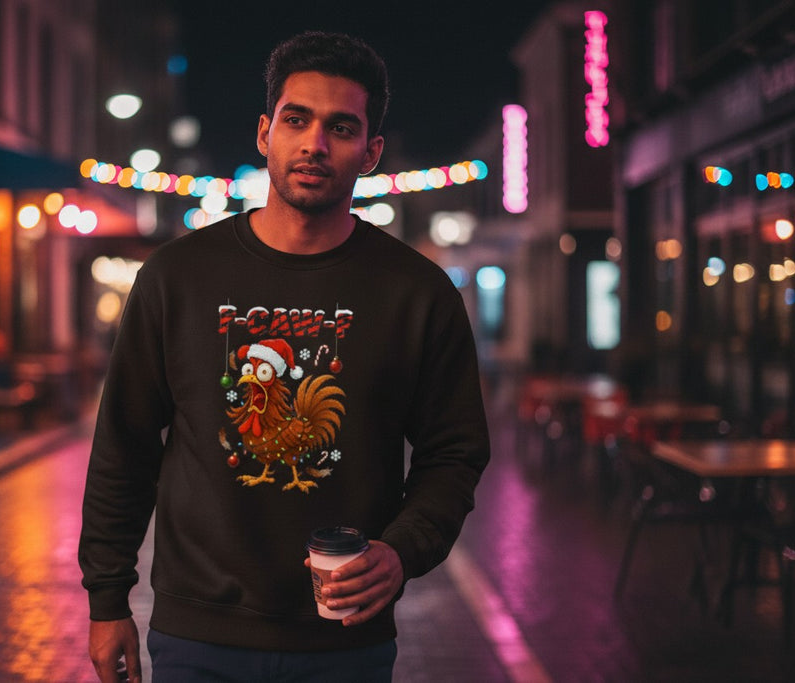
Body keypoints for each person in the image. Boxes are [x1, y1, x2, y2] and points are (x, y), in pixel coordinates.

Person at [79, 30, 490, 683]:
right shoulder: (176, 276)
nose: (315, 143)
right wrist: (106, 599)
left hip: (345, 637)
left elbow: (455, 451)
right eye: (297, 119)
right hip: (198, 632)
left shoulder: (416, 292)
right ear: (265, 132)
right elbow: (124, 444)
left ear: (371, 152)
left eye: (341, 127)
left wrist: (400, 551)